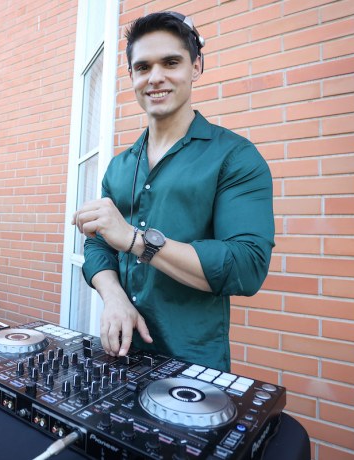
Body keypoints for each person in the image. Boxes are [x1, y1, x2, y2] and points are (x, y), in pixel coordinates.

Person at [72, 11, 274, 372]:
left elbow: (247, 266)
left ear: (196, 66)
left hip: (194, 368)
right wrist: (113, 295)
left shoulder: (234, 156)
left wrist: (136, 240)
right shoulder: (119, 166)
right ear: (132, 75)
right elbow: (98, 243)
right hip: (120, 357)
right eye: (143, 67)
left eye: (171, 62)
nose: (156, 77)